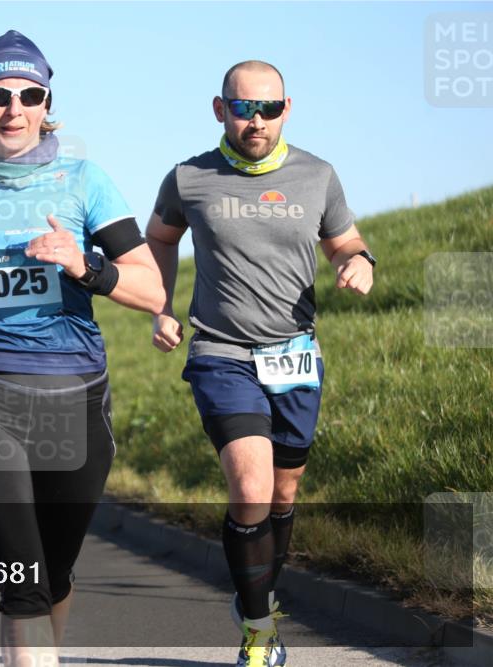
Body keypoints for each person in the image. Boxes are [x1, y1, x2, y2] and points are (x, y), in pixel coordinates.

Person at [0, 30, 163, 667]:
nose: (13, 108)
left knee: (54, 569)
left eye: (30, 95)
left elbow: (151, 287)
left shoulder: (85, 180)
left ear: (47, 103)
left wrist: (87, 267)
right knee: (21, 583)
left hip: (72, 399)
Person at [146, 60, 375, 667]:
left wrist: (359, 262)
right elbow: (160, 241)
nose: (257, 120)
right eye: (244, 108)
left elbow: (344, 241)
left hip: (294, 352)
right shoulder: (188, 177)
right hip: (221, 352)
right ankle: (257, 627)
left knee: (282, 492)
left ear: (287, 109)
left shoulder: (317, 175)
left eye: (268, 108)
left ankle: (260, 591)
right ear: (220, 109)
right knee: (249, 487)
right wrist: (160, 306)